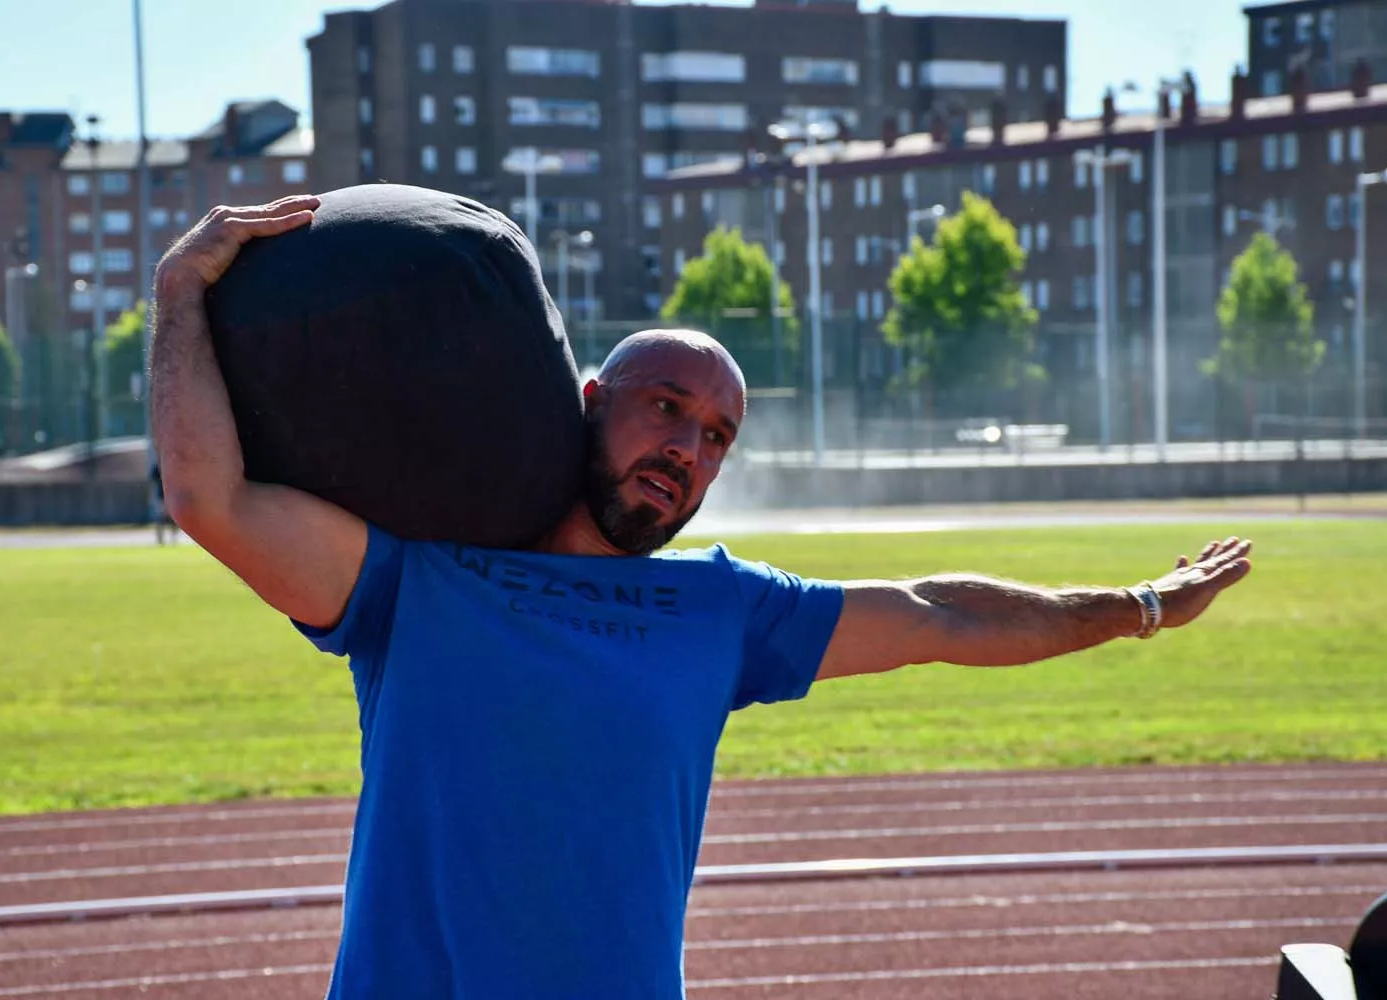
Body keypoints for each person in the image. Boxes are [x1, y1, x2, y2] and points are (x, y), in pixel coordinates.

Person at [149, 195, 1253, 1000]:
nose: (686, 446)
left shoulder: (726, 611)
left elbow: (936, 613)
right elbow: (211, 498)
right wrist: (180, 290)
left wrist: (1138, 605)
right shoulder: (417, 581)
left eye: (715, 434)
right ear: (589, 400)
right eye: (665, 406)